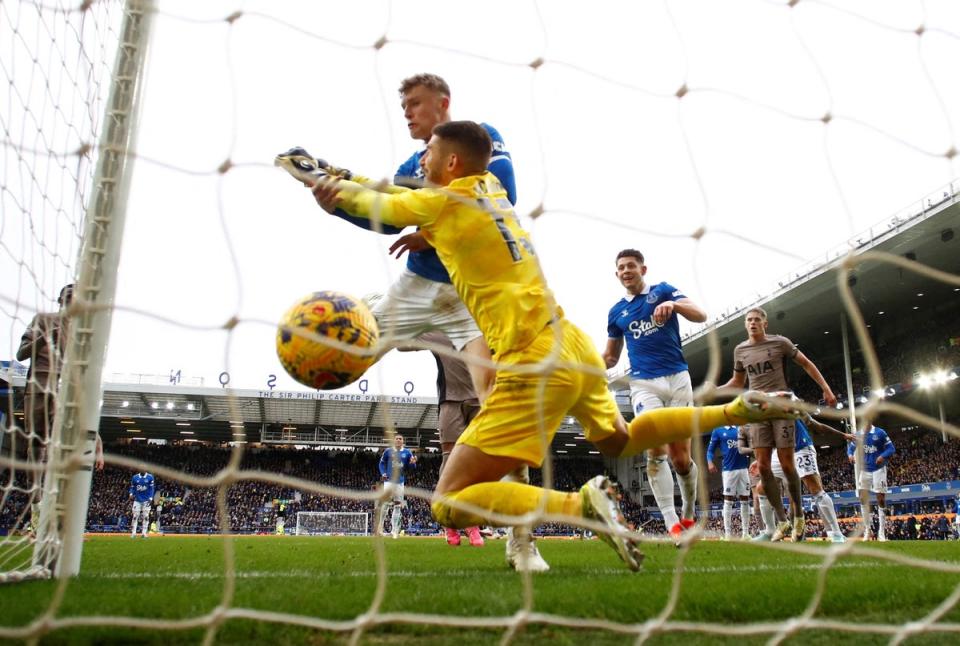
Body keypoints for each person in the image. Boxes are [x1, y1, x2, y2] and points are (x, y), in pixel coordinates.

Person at [308, 120, 798, 570]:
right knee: (620, 440)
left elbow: (380, 206)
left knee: (448, 501)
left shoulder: (441, 202)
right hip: (573, 345)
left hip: (532, 361)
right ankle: (735, 411)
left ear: (452, 162)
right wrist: (351, 181)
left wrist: (327, 188)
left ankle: (578, 505)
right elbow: (415, 204)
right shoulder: (490, 188)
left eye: (430, 152)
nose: (422, 159)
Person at [275, 72, 514, 401]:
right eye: (403, 106)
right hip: (418, 283)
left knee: (490, 391)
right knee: (354, 356)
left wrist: (430, 236)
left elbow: (504, 191)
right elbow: (389, 219)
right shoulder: (414, 165)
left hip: (470, 290)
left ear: (443, 104)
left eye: (415, 103)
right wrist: (335, 204)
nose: (406, 112)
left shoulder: (480, 138)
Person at [603, 250, 707, 541]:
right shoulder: (616, 312)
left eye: (631, 266)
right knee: (654, 450)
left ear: (643, 269)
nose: (626, 270)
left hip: (677, 378)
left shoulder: (663, 291)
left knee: (681, 459)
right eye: (621, 267)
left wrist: (674, 305)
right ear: (617, 274)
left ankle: (688, 511)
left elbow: (701, 315)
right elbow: (611, 358)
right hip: (643, 385)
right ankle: (672, 523)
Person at [723, 307, 836, 542]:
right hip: (757, 411)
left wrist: (825, 388)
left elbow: (806, 363)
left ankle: (799, 518)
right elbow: (737, 381)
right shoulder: (740, 350)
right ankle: (782, 521)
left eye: (756, 319)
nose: (752, 323)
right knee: (763, 467)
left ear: (765, 323)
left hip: (782, 406)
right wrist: (711, 391)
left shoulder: (780, 343)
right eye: (748, 320)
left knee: (786, 465)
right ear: (745, 325)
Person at [418, 331, 485, 549]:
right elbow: (402, 345)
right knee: (450, 462)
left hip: (479, 400)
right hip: (451, 402)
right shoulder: (438, 333)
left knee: (477, 463)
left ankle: (471, 523)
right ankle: (449, 523)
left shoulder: (481, 330)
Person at [750, 416, 852, 542]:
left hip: (801, 449)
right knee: (762, 488)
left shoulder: (789, 403)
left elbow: (816, 425)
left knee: (815, 489)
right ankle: (770, 531)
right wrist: (760, 460)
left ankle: (837, 534)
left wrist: (843, 435)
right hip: (780, 452)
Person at [847, 423, 895, 541]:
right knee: (862, 498)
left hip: (879, 469)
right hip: (865, 469)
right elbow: (851, 447)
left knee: (881, 499)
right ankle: (868, 531)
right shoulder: (859, 434)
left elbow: (891, 448)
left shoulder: (880, 433)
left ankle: (881, 533)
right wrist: (850, 455)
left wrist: (883, 456)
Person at [706, 425, 751, 540]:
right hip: (729, 470)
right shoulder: (718, 430)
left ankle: (745, 534)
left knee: (745, 500)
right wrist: (710, 462)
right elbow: (710, 450)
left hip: (743, 468)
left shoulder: (740, 428)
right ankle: (728, 534)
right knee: (728, 501)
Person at [376, 434, 417, 539]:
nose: (398, 440)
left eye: (400, 439)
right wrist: (383, 473)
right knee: (385, 504)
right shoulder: (388, 451)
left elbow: (412, 467)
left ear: (403, 441)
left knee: (397, 506)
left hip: (400, 482)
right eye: (397, 439)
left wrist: (413, 463)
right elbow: (381, 464)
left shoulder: (407, 452)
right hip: (389, 481)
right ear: (394, 441)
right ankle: (379, 529)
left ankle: (394, 531)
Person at [129, 471, 155, 538]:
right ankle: (133, 533)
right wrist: (131, 494)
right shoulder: (135, 477)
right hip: (137, 500)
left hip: (146, 500)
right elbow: (132, 487)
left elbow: (151, 488)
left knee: (146, 517)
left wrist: (151, 498)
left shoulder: (150, 477)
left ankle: (144, 533)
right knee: (135, 516)